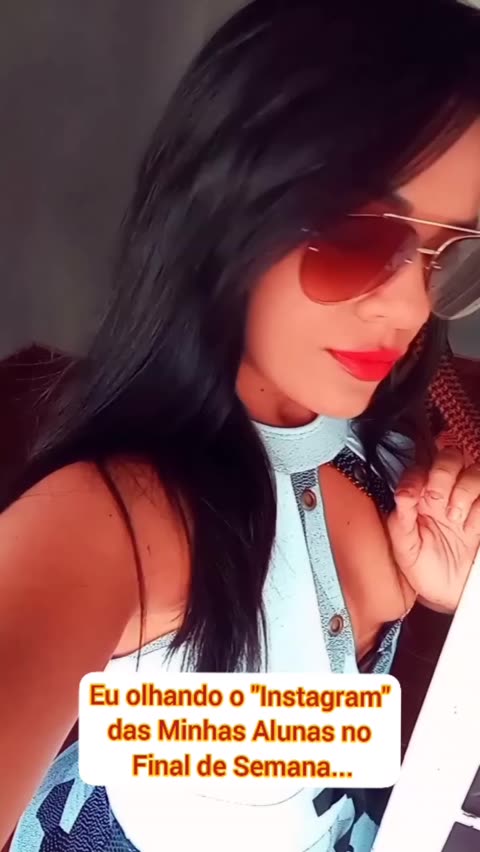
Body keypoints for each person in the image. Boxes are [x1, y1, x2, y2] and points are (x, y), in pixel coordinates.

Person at [2, 0, 480, 849]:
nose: (409, 308)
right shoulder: (111, 521)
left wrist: (443, 596)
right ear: (225, 208)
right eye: (355, 235)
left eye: (450, 254)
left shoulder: (384, 441)